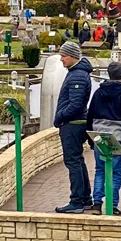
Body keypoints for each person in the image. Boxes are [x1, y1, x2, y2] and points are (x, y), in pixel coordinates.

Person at [85, 58, 121, 213]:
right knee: (116, 172)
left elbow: (90, 115)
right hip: (117, 137)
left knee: (100, 169)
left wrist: (90, 140)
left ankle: (97, 203)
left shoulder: (98, 93)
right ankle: (112, 205)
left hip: (99, 136)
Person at [51, 41, 95, 213]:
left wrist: (61, 117)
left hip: (73, 124)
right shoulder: (77, 73)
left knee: (73, 162)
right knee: (78, 161)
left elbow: (76, 104)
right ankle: (85, 198)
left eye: (64, 56)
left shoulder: (77, 76)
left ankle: (76, 201)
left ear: (72, 56)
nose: (61, 59)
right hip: (77, 123)